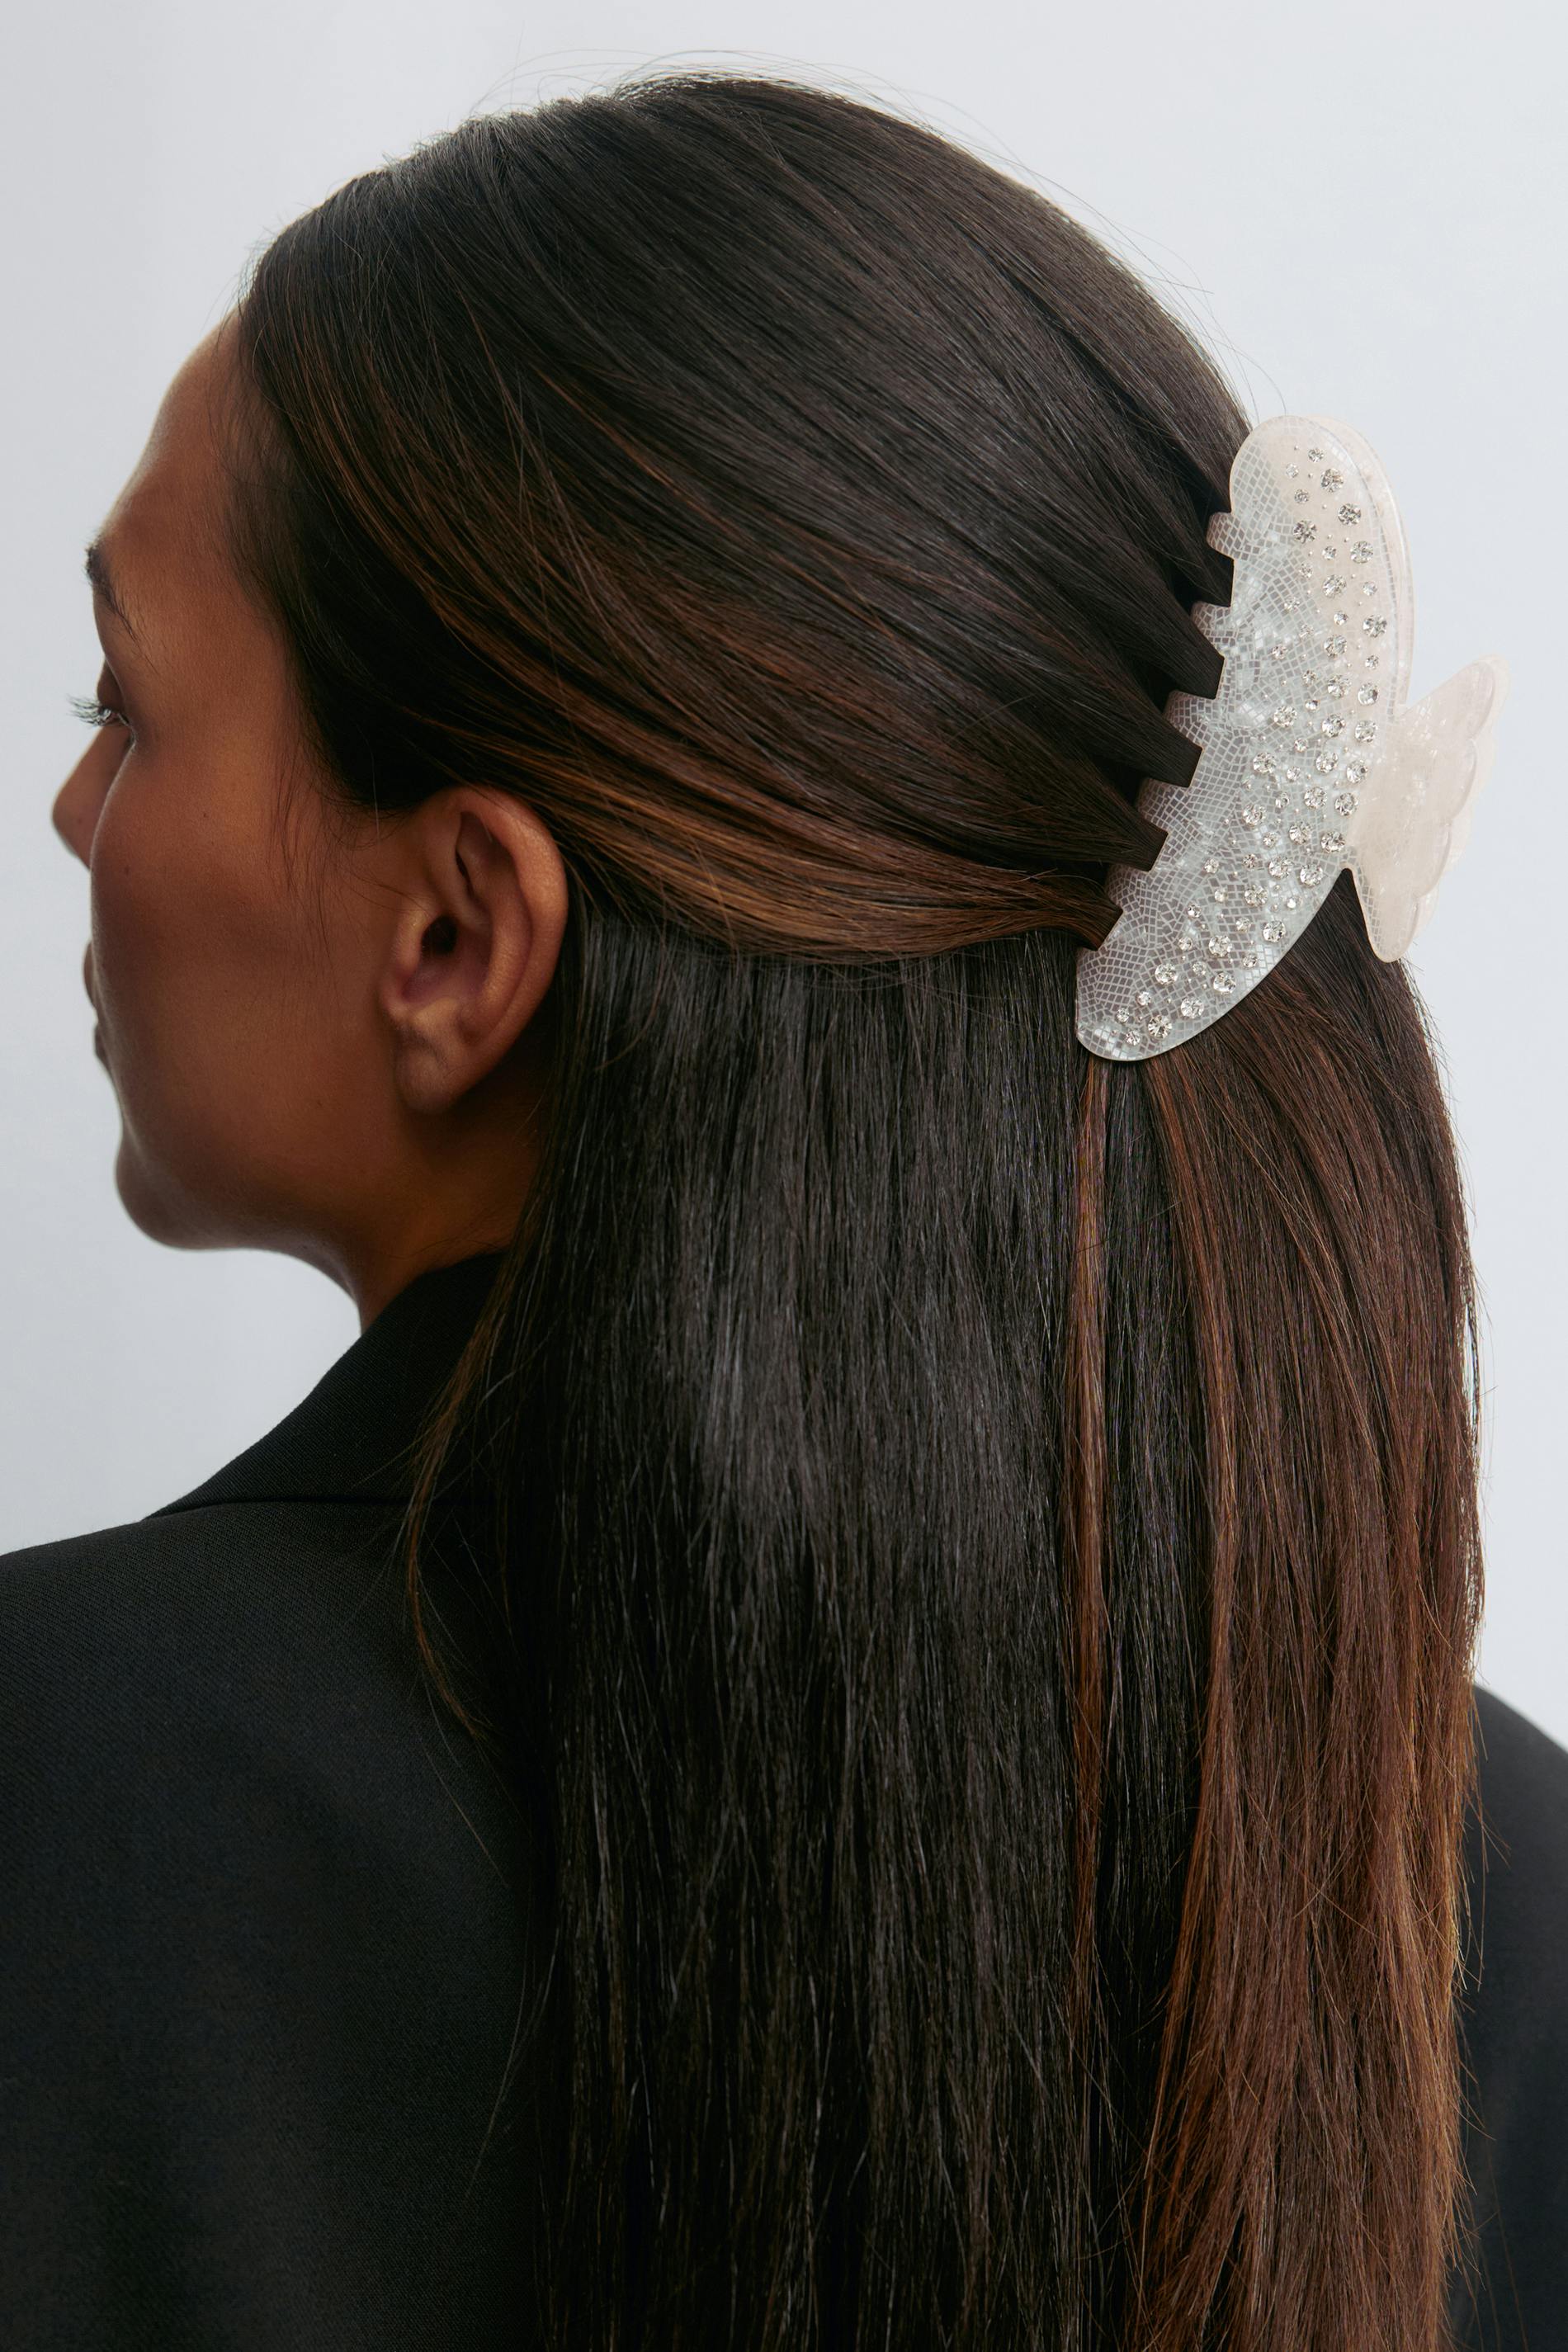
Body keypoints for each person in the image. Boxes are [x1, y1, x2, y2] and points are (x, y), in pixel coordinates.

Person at [2, 67, 1562, 2352]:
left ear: (456, 937)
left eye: (123, 701)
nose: (73, 807)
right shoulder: (1466, 1887)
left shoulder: (59, 1813)